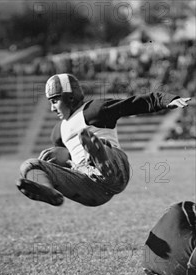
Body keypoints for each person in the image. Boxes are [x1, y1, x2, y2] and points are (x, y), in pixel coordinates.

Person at [17, 73, 191, 207]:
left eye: (55, 101)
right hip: (90, 187)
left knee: (101, 147)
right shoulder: (58, 132)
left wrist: (168, 99)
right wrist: (61, 156)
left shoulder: (95, 110)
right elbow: (65, 160)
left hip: (116, 172)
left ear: (70, 97)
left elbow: (134, 103)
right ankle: (49, 191)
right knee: (29, 165)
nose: (52, 107)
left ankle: (97, 152)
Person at [143, 201, 196, 275]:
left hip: (152, 266)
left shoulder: (181, 208)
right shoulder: (183, 208)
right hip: (187, 267)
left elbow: (147, 268)